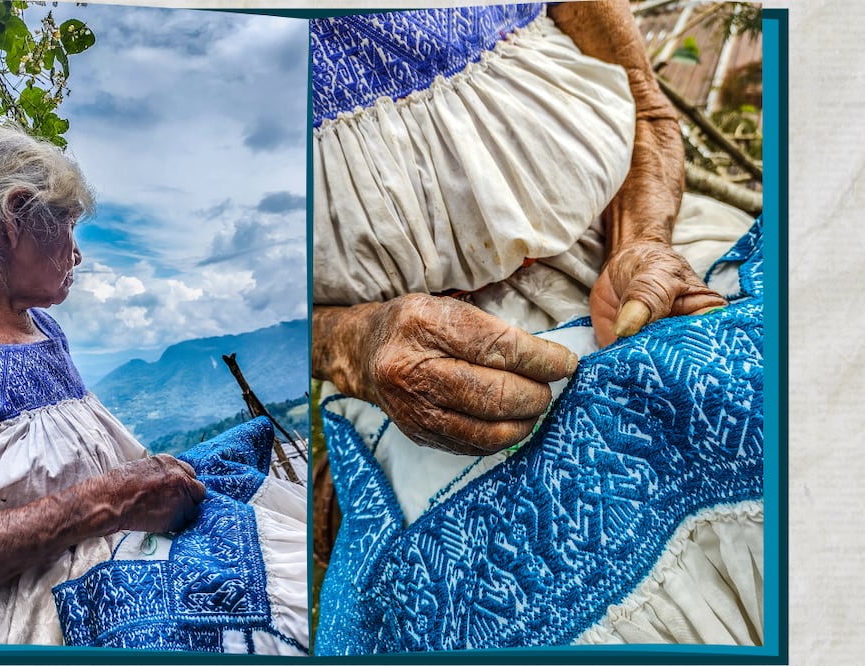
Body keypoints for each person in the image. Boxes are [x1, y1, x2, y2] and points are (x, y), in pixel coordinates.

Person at [311, 0, 763, 652]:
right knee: (438, 609)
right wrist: (353, 343)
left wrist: (643, 241)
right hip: (408, 354)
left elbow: (646, 104)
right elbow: (252, 299)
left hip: (627, 248)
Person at [0, 122, 308, 651]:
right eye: (68, 225)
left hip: (95, 549)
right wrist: (112, 501)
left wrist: (132, 494)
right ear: (15, 217)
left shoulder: (42, 328)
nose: (77, 254)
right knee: (283, 607)